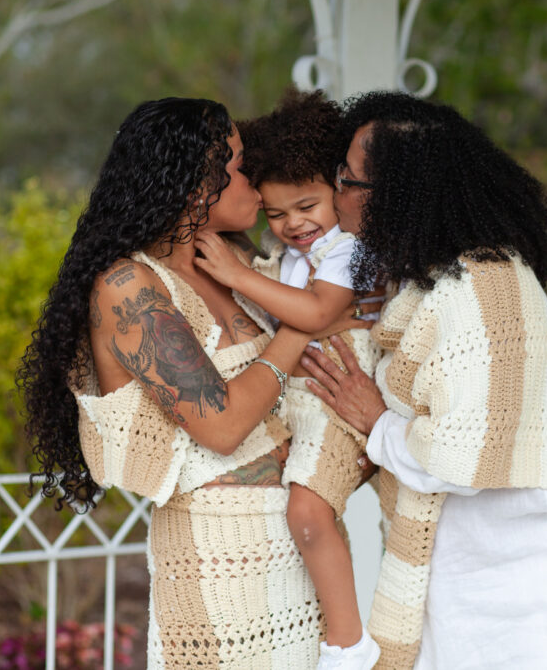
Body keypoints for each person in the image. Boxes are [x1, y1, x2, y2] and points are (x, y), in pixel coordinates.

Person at [18, 97, 373, 669]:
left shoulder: (236, 265)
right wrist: (301, 324)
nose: (253, 180)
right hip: (219, 562)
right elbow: (225, 424)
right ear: (193, 183)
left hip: (302, 549)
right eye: (237, 165)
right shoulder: (129, 286)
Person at [300, 91, 547, 670]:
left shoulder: (484, 290)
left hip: (544, 578)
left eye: (346, 178)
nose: (335, 191)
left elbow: (459, 454)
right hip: (482, 571)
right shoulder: (432, 284)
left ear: (395, 196)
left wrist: (376, 422)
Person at [197, 89, 382, 670]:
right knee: (302, 512)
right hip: (303, 395)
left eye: (306, 205)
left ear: (336, 189)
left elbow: (316, 314)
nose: (293, 224)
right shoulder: (294, 255)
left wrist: (234, 273)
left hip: (335, 393)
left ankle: (350, 645)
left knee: (307, 512)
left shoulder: (348, 249)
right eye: (276, 214)